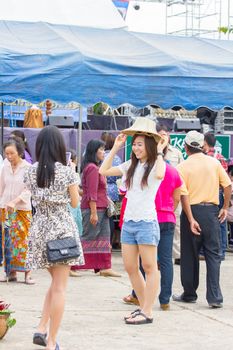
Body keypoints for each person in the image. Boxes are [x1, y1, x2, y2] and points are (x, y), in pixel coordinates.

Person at [99, 117, 168, 325]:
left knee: (149, 267)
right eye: (134, 144)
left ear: (148, 145)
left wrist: (159, 150)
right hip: (129, 222)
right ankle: (143, 307)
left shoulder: (156, 163)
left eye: (139, 144)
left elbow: (162, 173)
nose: (136, 148)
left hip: (147, 222)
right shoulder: (130, 165)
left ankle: (147, 311)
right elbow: (103, 171)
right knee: (130, 267)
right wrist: (116, 148)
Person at [24, 126, 84, 350]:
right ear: (60, 146)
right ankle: (51, 341)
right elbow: (75, 203)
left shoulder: (31, 171)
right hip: (61, 231)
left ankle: (41, 328)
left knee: (55, 283)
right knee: (60, 287)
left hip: (39, 229)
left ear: (39, 146)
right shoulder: (67, 172)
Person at [172, 131, 231, 308]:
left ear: (185, 147)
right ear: (202, 145)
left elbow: (184, 196)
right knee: (213, 254)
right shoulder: (214, 163)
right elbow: (227, 186)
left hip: (192, 211)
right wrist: (225, 207)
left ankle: (190, 294)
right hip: (212, 212)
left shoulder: (182, 167)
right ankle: (215, 297)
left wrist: (190, 219)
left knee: (190, 255)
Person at [122, 152, 182, 311]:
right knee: (165, 260)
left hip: (149, 218)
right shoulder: (173, 171)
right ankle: (164, 300)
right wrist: (170, 209)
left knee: (145, 264)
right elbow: (178, 196)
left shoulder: (146, 170)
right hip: (165, 217)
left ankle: (139, 298)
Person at [77, 139, 121, 277]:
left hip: (102, 208)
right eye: (100, 150)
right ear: (93, 152)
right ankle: (73, 265)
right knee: (89, 236)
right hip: (94, 208)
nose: (103, 152)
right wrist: (93, 212)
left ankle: (105, 267)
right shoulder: (92, 168)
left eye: (103, 149)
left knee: (104, 237)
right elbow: (91, 192)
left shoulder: (95, 168)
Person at [0, 138, 34, 284]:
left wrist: (16, 201)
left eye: (12, 153)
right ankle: (10, 272)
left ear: (20, 152)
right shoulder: (4, 167)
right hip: (5, 210)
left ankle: (28, 273)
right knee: (7, 241)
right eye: (6, 154)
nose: (9, 157)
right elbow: (1, 187)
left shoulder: (28, 168)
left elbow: (29, 190)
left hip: (22, 211)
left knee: (23, 241)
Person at [157, 124, 184, 266]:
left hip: (174, 193)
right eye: (160, 134)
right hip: (158, 194)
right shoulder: (152, 152)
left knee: (176, 226)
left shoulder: (176, 153)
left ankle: (177, 254)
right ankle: (158, 259)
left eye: (165, 134)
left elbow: (182, 173)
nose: (163, 137)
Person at [203, 132, 228, 260]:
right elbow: (226, 180)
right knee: (221, 223)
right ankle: (222, 251)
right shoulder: (222, 157)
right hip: (220, 193)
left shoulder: (204, 158)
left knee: (207, 222)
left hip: (208, 193)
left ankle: (204, 251)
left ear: (205, 143)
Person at [101, 132, 122, 247]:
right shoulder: (117, 158)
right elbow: (119, 176)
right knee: (111, 217)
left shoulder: (99, 155)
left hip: (101, 189)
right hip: (113, 191)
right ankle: (110, 242)